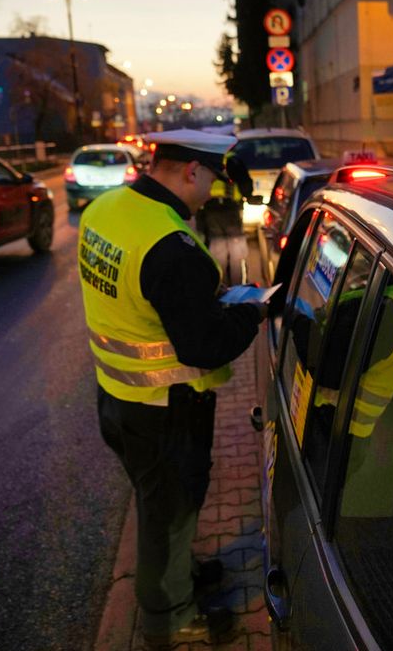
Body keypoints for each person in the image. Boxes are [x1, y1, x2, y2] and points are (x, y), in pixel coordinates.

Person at [77, 128, 267, 648]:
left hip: (118, 397)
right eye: (211, 178)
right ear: (191, 171)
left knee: (160, 504)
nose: (211, 191)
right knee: (168, 514)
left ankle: (179, 575)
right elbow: (203, 345)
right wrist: (253, 312)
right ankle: (171, 616)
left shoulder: (107, 209)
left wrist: (205, 299)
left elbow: (149, 299)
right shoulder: (171, 245)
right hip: (166, 411)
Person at [196, 152, 253, 285]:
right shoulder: (233, 161)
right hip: (231, 208)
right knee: (236, 251)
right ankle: (237, 288)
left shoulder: (205, 161)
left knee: (217, 248)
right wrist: (248, 196)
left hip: (210, 209)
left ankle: (220, 285)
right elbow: (246, 186)